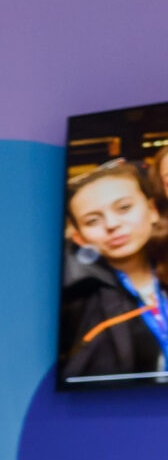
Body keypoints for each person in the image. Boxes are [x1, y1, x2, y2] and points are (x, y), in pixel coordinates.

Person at [58, 157, 168, 383]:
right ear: (79, 237)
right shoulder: (73, 297)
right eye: (92, 221)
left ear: (153, 210)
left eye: (124, 208)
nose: (111, 224)